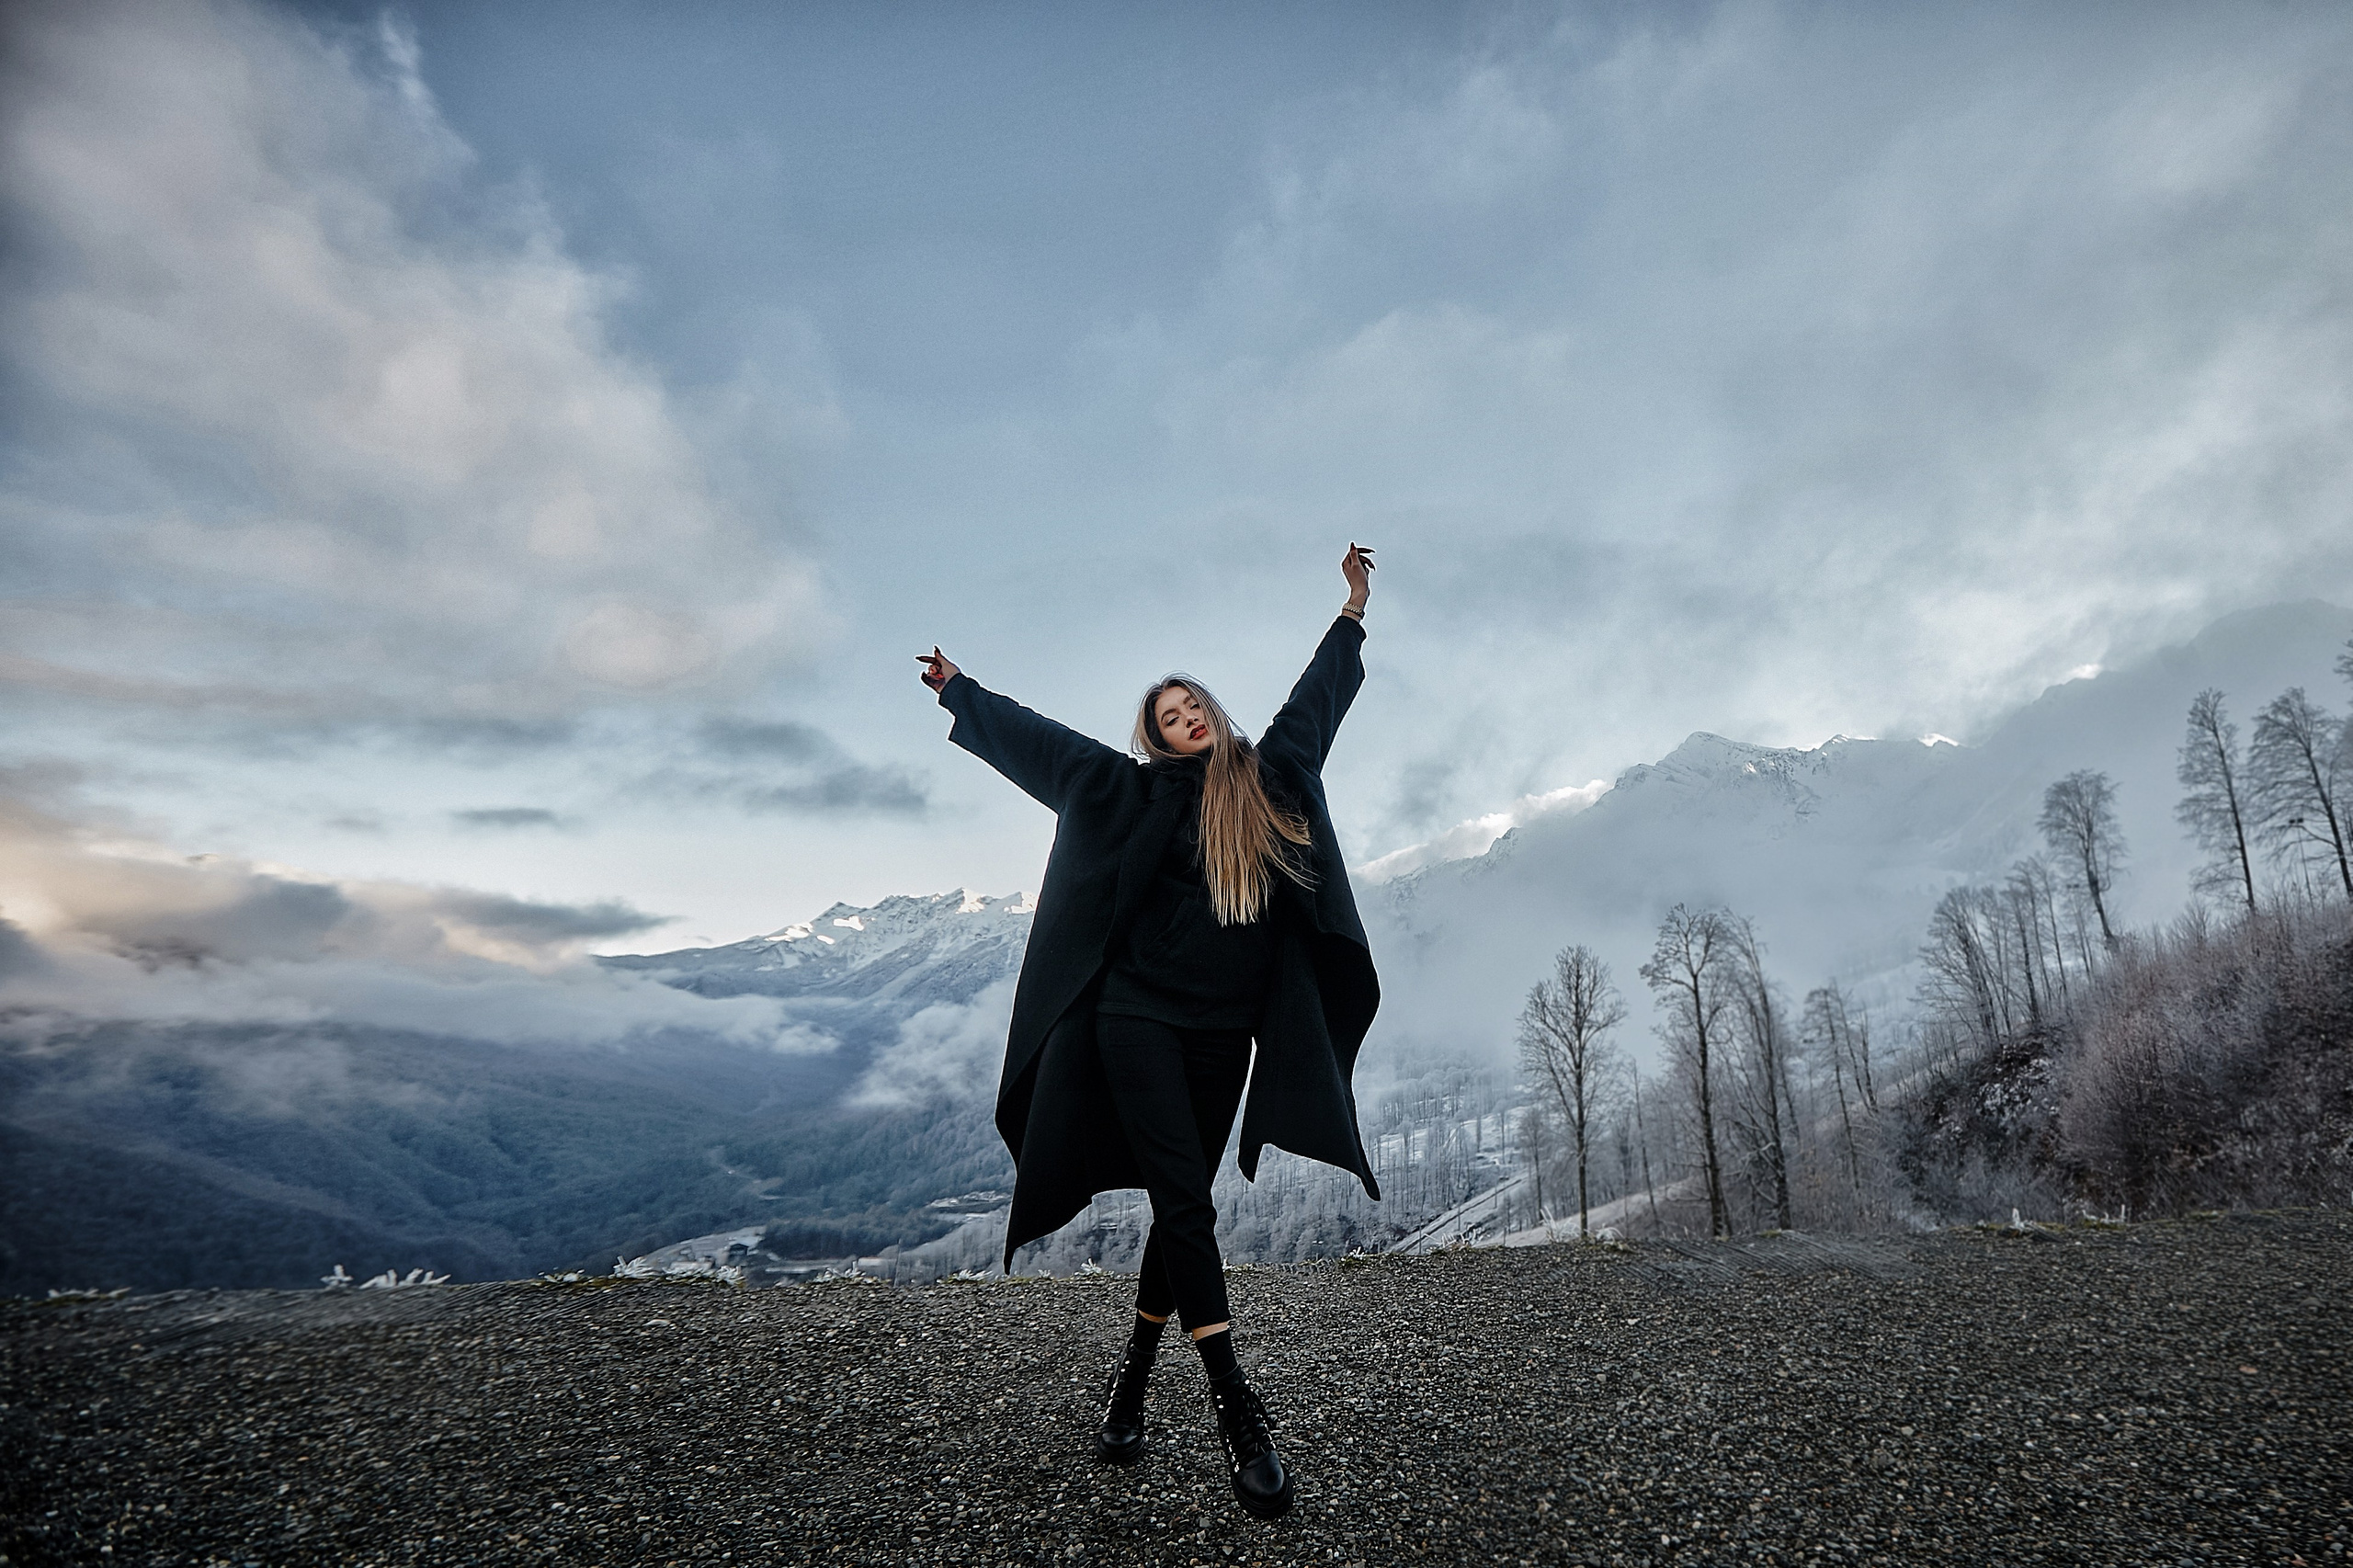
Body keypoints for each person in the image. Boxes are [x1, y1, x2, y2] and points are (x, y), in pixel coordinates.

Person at [915, 543, 1383, 1520]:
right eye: (1167, 717)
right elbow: (1043, 747)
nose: (1184, 719)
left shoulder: (1270, 777)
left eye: (1192, 705)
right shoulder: (1130, 792)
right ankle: (1235, 1412)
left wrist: (1350, 611)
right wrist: (964, 692)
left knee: (1184, 1207)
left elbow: (1317, 700)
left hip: (1226, 1032)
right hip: (1136, 1019)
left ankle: (1130, 1384)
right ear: (1158, 737)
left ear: (1211, 712)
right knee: (1187, 1204)